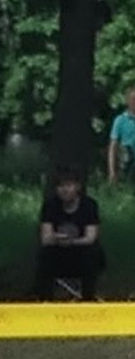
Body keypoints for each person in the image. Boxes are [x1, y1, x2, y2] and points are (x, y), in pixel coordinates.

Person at [34, 166, 104, 301]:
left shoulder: (89, 205)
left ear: (77, 187)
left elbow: (91, 237)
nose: (65, 190)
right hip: (59, 256)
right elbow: (46, 238)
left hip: (82, 255)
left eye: (69, 186)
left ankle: (87, 298)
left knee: (92, 252)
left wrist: (72, 241)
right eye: (61, 186)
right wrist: (57, 239)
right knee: (45, 254)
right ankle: (45, 299)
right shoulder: (50, 206)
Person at [106, 86, 135, 186]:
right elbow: (113, 146)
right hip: (126, 163)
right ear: (128, 101)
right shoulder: (120, 120)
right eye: (133, 99)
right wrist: (112, 171)